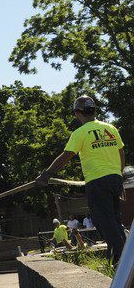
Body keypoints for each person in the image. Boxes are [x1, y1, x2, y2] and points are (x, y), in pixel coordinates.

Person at [37, 95, 126, 263]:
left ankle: (119, 256)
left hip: (97, 181)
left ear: (78, 113)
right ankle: (124, 255)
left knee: (102, 219)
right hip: (115, 179)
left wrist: (46, 174)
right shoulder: (111, 128)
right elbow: (121, 153)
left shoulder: (80, 133)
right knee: (114, 219)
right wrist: (118, 175)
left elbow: (66, 156)